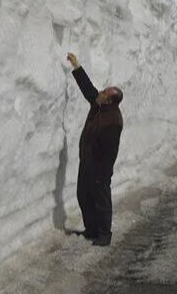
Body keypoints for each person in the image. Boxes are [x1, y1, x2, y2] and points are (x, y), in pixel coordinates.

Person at [66, 52, 123, 247]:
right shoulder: (99, 105)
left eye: (104, 93)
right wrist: (77, 67)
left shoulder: (113, 121)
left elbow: (109, 153)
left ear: (109, 101)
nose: (100, 93)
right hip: (87, 161)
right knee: (84, 196)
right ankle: (91, 229)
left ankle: (104, 234)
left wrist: (102, 173)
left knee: (101, 200)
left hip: (99, 167)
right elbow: (89, 90)